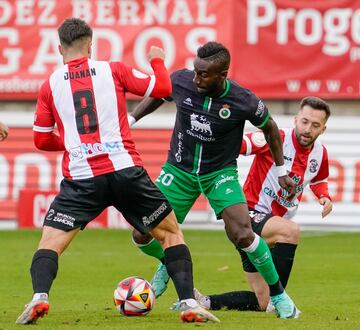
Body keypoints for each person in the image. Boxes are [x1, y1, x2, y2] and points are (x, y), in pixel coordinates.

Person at [16, 18, 219, 325]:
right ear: (91, 44)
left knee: (50, 244)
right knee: (170, 234)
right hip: (125, 171)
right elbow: (163, 88)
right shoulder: (114, 70)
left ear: (60, 48)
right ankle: (189, 302)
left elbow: (41, 139)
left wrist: (74, 145)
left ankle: (39, 297)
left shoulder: (50, 85)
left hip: (82, 178)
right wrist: (156, 59)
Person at [129, 41, 300, 319]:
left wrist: (281, 172)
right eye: (196, 71)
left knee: (244, 234)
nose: (196, 78)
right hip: (179, 170)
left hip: (219, 173)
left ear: (223, 74)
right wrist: (131, 119)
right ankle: (169, 262)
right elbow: (158, 95)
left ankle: (279, 296)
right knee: (140, 232)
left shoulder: (243, 100)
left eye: (204, 74)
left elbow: (271, 130)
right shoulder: (181, 81)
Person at [193, 96, 333, 312]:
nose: (308, 129)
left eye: (315, 125)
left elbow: (318, 179)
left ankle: (204, 302)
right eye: (304, 122)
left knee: (263, 301)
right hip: (246, 216)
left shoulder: (320, 153)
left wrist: (324, 197)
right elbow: (242, 144)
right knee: (291, 232)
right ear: (296, 119)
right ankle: (282, 299)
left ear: (322, 129)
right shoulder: (275, 137)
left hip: (268, 229)